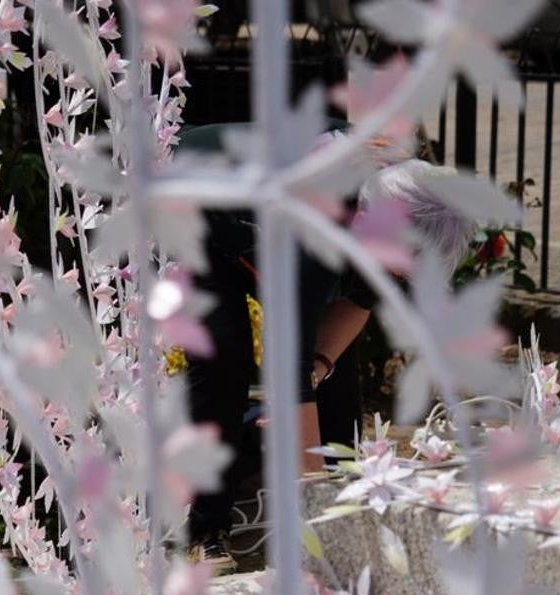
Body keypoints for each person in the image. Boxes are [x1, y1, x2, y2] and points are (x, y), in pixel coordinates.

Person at [179, 126, 477, 569]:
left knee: (334, 379)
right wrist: (318, 524)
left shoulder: (403, 194)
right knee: (226, 358)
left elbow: (362, 298)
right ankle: (205, 531)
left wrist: (320, 367)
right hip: (198, 206)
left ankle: (347, 502)